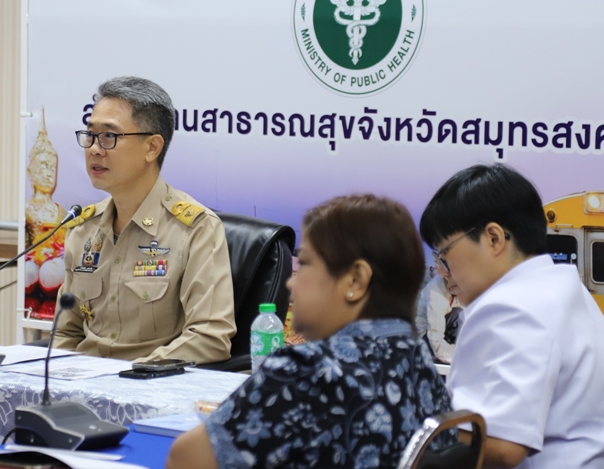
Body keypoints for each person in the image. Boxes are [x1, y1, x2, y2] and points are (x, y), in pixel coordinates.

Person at [167, 194, 455, 469]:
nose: (291, 283)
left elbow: (185, 459)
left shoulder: (306, 371)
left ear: (355, 280)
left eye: (303, 263)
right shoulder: (424, 370)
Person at [419, 164, 604, 468]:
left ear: (494, 238)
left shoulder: (507, 308)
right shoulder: (566, 290)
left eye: (444, 254)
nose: (442, 270)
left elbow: (498, 445)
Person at [52, 77, 235, 364]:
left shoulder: (195, 229)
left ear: (152, 148)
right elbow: (66, 333)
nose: (94, 149)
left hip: (153, 388)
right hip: (82, 387)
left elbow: (209, 337)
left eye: (109, 136)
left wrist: (134, 375)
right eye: (90, 135)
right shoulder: (82, 229)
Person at [414, 264, 462, 363]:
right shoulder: (435, 292)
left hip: (444, 332)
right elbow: (435, 338)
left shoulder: (461, 288)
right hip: (425, 339)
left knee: (462, 316)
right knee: (458, 315)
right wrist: (459, 357)